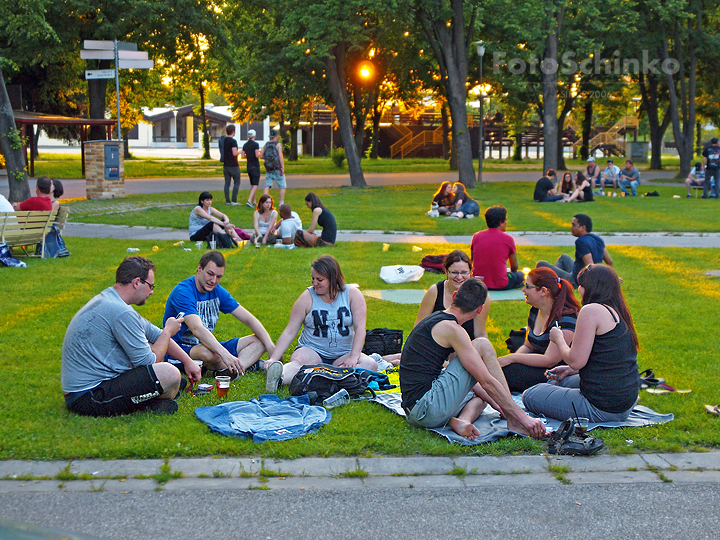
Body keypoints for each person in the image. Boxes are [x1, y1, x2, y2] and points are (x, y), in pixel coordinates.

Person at [399, 278, 548, 441]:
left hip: (417, 410)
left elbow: (471, 379)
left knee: (483, 396)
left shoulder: (437, 318)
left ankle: (463, 420)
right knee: (482, 345)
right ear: (480, 309)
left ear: (455, 296)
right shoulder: (453, 330)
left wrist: (499, 403)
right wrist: (522, 416)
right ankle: (515, 419)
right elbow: (485, 380)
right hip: (427, 408)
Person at [61, 256, 201, 417]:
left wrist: (188, 361)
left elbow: (156, 334)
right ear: (136, 282)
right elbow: (150, 362)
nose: (152, 291)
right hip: (88, 397)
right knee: (170, 374)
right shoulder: (121, 312)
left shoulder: (111, 299)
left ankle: (154, 398)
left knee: (161, 364)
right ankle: (148, 402)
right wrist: (169, 331)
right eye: (150, 286)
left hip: (86, 390)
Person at [522, 264, 640, 422]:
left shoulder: (590, 311)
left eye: (581, 286)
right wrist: (570, 370)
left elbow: (576, 361)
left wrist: (558, 339)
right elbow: (607, 360)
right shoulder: (617, 309)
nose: (579, 290)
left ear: (590, 288)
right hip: (624, 401)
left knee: (530, 394)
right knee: (559, 380)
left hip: (600, 407)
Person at [263, 255, 378, 392]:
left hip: (343, 354)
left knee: (369, 364)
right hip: (313, 351)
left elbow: (360, 328)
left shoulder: (352, 294)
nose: (314, 283)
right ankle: (279, 377)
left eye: (320, 280)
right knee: (299, 362)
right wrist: (274, 358)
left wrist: (353, 356)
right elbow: (290, 331)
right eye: (313, 278)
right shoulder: (307, 297)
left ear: (333, 279)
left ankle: (321, 377)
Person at [163, 251, 275, 379]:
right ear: (199, 269)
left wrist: (271, 346)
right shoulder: (183, 292)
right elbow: (197, 329)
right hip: (180, 349)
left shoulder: (217, 291)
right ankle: (244, 363)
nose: (213, 280)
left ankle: (233, 370)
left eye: (218, 277)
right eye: (210, 274)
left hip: (208, 345)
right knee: (208, 354)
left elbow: (249, 319)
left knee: (261, 340)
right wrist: (225, 354)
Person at [498, 267, 580, 393]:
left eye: (527, 286)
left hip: (558, 373)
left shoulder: (566, 319)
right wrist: (509, 359)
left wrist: (512, 358)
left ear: (543, 291)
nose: (523, 290)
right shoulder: (535, 311)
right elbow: (528, 346)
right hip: (538, 366)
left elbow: (550, 360)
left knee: (507, 373)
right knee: (500, 369)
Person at [416, 250, 490, 340]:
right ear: (446, 272)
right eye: (454, 272)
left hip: (466, 347)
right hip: (438, 348)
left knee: (484, 344)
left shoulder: (481, 296)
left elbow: (480, 334)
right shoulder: (435, 291)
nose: (459, 277)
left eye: (464, 272)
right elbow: (418, 328)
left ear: (471, 272)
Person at [536, 213, 613, 287]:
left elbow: (591, 266)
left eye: (573, 225)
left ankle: (554, 281)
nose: (571, 228)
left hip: (576, 280)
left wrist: (602, 281)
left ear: (583, 227)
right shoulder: (598, 239)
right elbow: (609, 262)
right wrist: (611, 277)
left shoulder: (581, 242)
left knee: (541, 264)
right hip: (580, 273)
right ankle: (555, 280)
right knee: (564, 258)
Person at [470, 205, 524, 290]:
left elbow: (472, 261)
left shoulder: (477, 236)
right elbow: (514, 266)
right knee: (521, 274)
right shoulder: (508, 239)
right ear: (500, 222)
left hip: (478, 282)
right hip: (501, 283)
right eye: (505, 220)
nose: (506, 222)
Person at [261, 129, 286, 205]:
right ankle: (281, 202)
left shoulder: (266, 144)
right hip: (277, 167)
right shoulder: (278, 145)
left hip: (268, 168)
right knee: (282, 185)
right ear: (276, 136)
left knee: (267, 185)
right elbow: (280, 156)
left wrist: (268, 159)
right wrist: (282, 168)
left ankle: (264, 201)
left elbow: (261, 156)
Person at [222, 125, 241, 205]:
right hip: (233, 165)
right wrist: (240, 151)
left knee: (227, 183)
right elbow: (234, 153)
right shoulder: (233, 141)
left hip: (225, 164)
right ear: (233, 131)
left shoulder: (224, 140)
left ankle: (227, 201)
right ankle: (234, 200)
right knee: (237, 182)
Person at [242, 129, 261, 207]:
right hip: (255, 166)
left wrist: (248, 156)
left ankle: (254, 201)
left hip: (248, 166)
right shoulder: (256, 144)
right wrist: (260, 153)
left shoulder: (245, 145)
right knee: (256, 184)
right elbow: (257, 155)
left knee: (253, 184)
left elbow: (243, 156)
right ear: (254, 136)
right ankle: (249, 200)